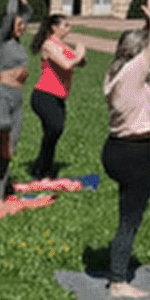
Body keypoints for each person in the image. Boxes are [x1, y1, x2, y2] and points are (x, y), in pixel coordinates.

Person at [101, 0, 150, 298]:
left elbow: (145, 45)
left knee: (128, 213)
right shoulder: (130, 76)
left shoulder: (121, 74)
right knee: (131, 217)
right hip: (133, 153)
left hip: (122, 148)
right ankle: (117, 281)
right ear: (137, 56)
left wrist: (146, 23)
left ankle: (119, 261)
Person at [0, 0, 34, 204]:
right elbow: (11, 13)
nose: (22, 25)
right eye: (18, 23)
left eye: (22, 24)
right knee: (3, 129)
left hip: (17, 99)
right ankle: (0, 124)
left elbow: (29, 11)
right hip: (2, 96)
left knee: (7, 155)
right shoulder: (2, 41)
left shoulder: (17, 41)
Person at [27, 13, 88, 179]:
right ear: (54, 27)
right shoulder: (49, 45)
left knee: (54, 133)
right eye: (65, 25)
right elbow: (67, 64)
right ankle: (41, 169)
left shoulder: (63, 45)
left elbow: (79, 62)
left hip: (59, 97)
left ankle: (44, 169)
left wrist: (80, 57)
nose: (69, 28)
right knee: (55, 128)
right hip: (44, 95)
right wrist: (79, 53)